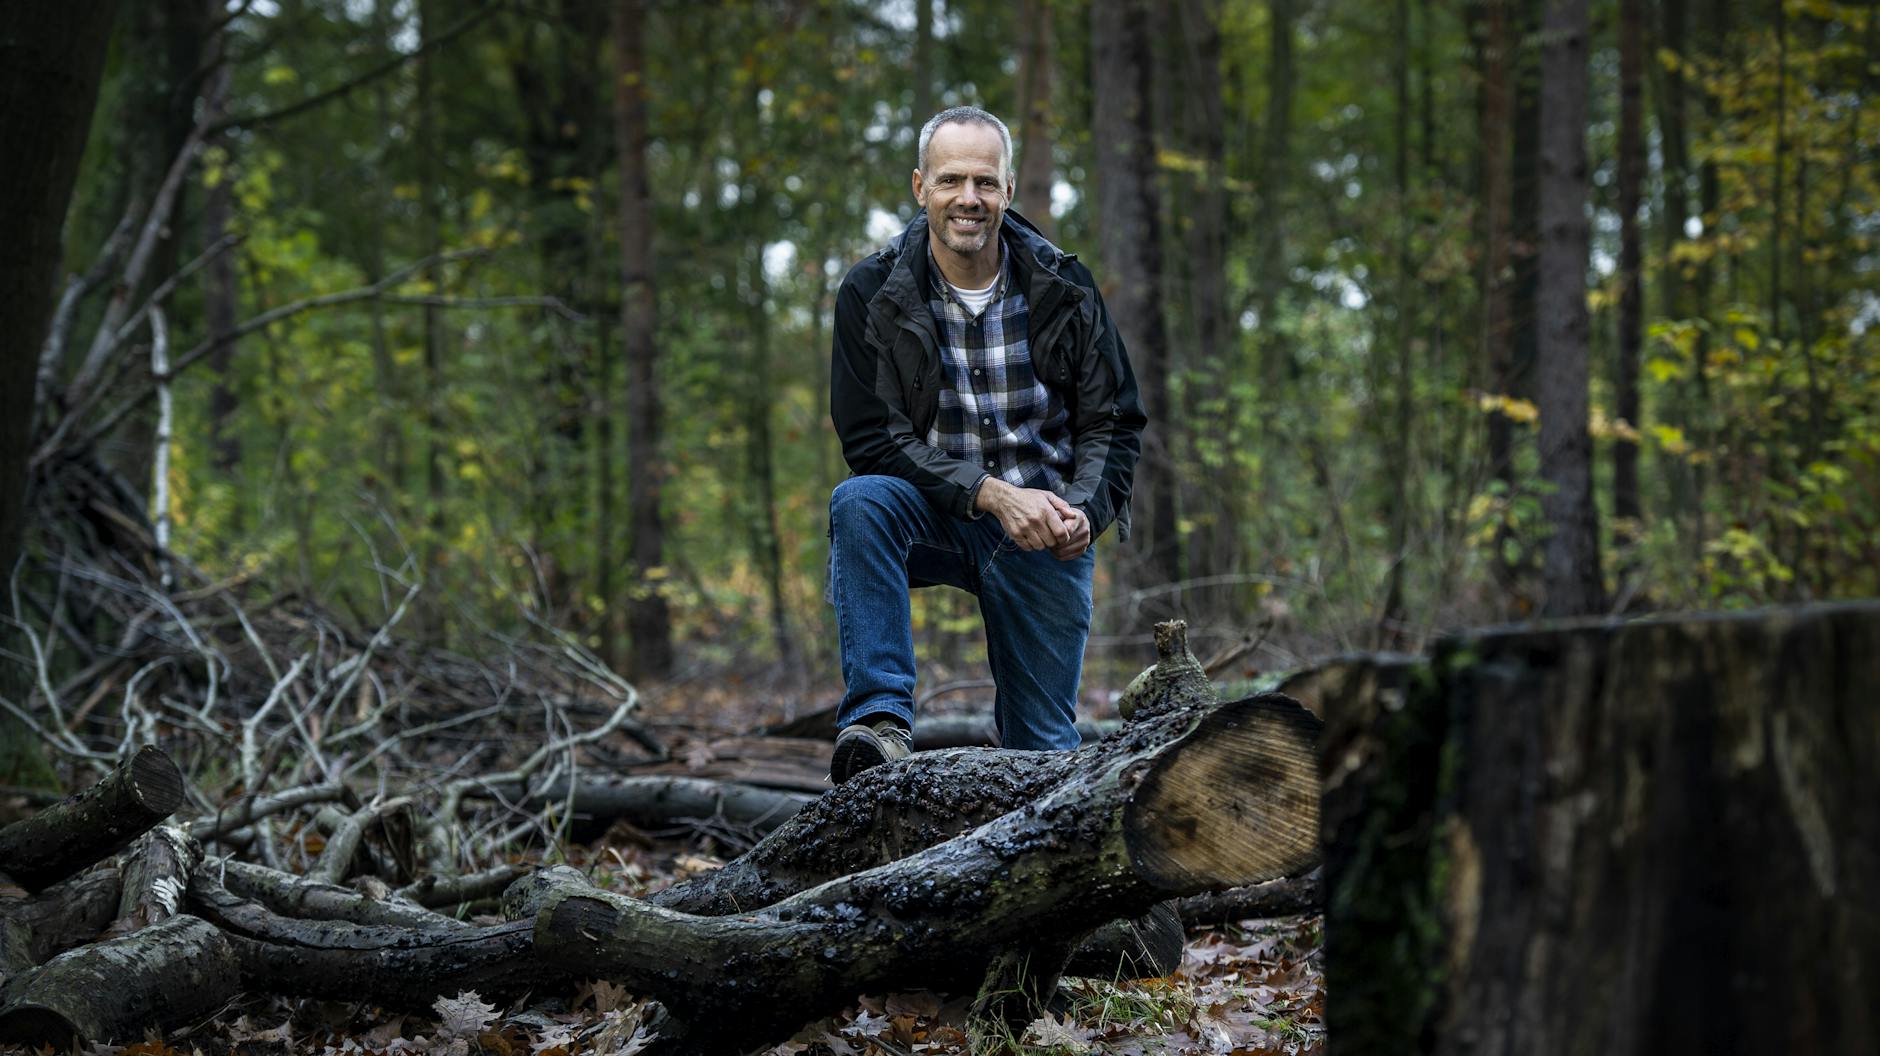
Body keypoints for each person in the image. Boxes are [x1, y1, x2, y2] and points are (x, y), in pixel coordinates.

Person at [825, 105, 1146, 784]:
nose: (968, 198)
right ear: (920, 187)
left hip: (1043, 533)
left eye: (984, 182)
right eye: (949, 181)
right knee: (861, 503)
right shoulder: (872, 291)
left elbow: (1114, 423)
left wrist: (1086, 510)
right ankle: (880, 724)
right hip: (937, 513)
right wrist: (991, 495)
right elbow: (869, 438)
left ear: (1007, 190)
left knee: (1043, 763)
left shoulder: (1066, 287)